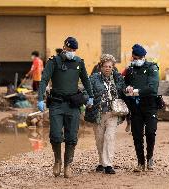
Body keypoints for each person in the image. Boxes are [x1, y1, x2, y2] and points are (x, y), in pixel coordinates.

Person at [37, 37, 94, 178]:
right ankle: (57, 161)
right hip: (56, 103)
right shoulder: (53, 62)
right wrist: (40, 98)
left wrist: (91, 96)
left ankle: (68, 164)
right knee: (55, 135)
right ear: (64, 47)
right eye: (69, 50)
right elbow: (44, 79)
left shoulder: (79, 62)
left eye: (74, 50)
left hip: (73, 104)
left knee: (72, 136)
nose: (72, 52)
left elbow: (86, 80)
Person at [85, 54, 126, 174]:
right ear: (101, 67)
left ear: (113, 67)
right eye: (105, 66)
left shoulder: (118, 78)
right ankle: (101, 162)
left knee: (110, 137)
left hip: (112, 113)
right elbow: (85, 91)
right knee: (100, 139)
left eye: (110, 66)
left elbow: (123, 90)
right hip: (98, 113)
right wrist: (88, 99)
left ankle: (108, 164)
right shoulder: (93, 78)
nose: (108, 68)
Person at [124, 44, 159, 172]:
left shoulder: (152, 68)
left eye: (137, 58)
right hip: (136, 108)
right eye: (133, 58)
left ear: (143, 57)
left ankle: (150, 157)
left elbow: (152, 88)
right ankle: (140, 161)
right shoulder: (130, 70)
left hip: (150, 106)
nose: (134, 60)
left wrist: (136, 91)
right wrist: (127, 88)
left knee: (150, 132)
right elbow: (126, 83)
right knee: (137, 135)